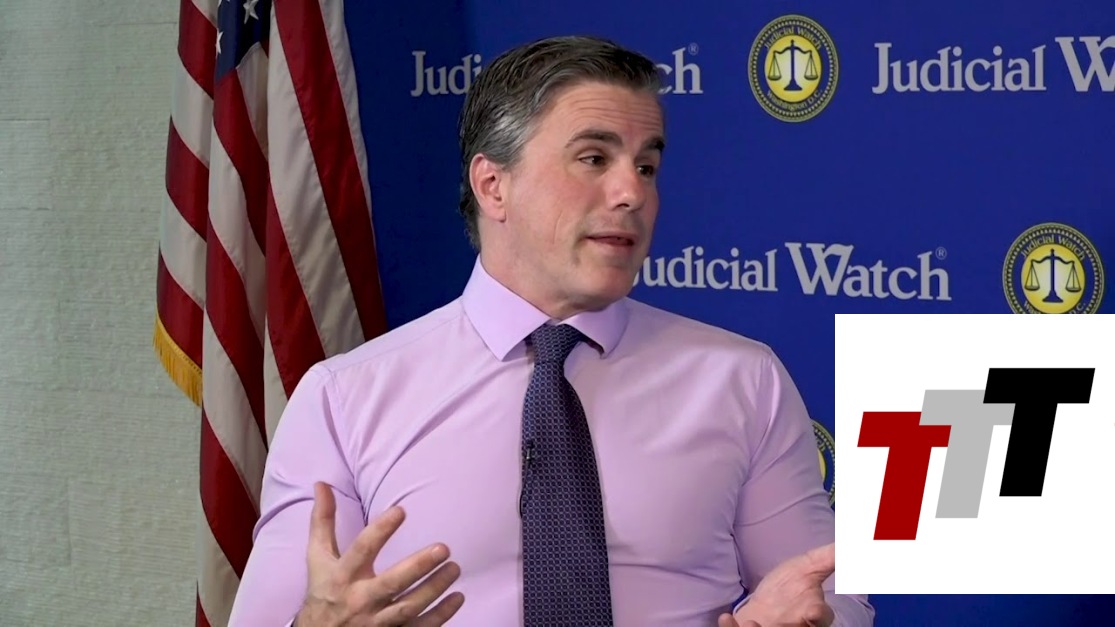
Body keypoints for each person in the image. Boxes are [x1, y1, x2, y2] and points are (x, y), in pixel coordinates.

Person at [229, 35, 875, 627]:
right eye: (594, 158)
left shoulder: (743, 379)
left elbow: (823, 587)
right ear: (493, 185)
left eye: (646, 166)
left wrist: (812, 619)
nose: (631, 193)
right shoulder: (343, 399)